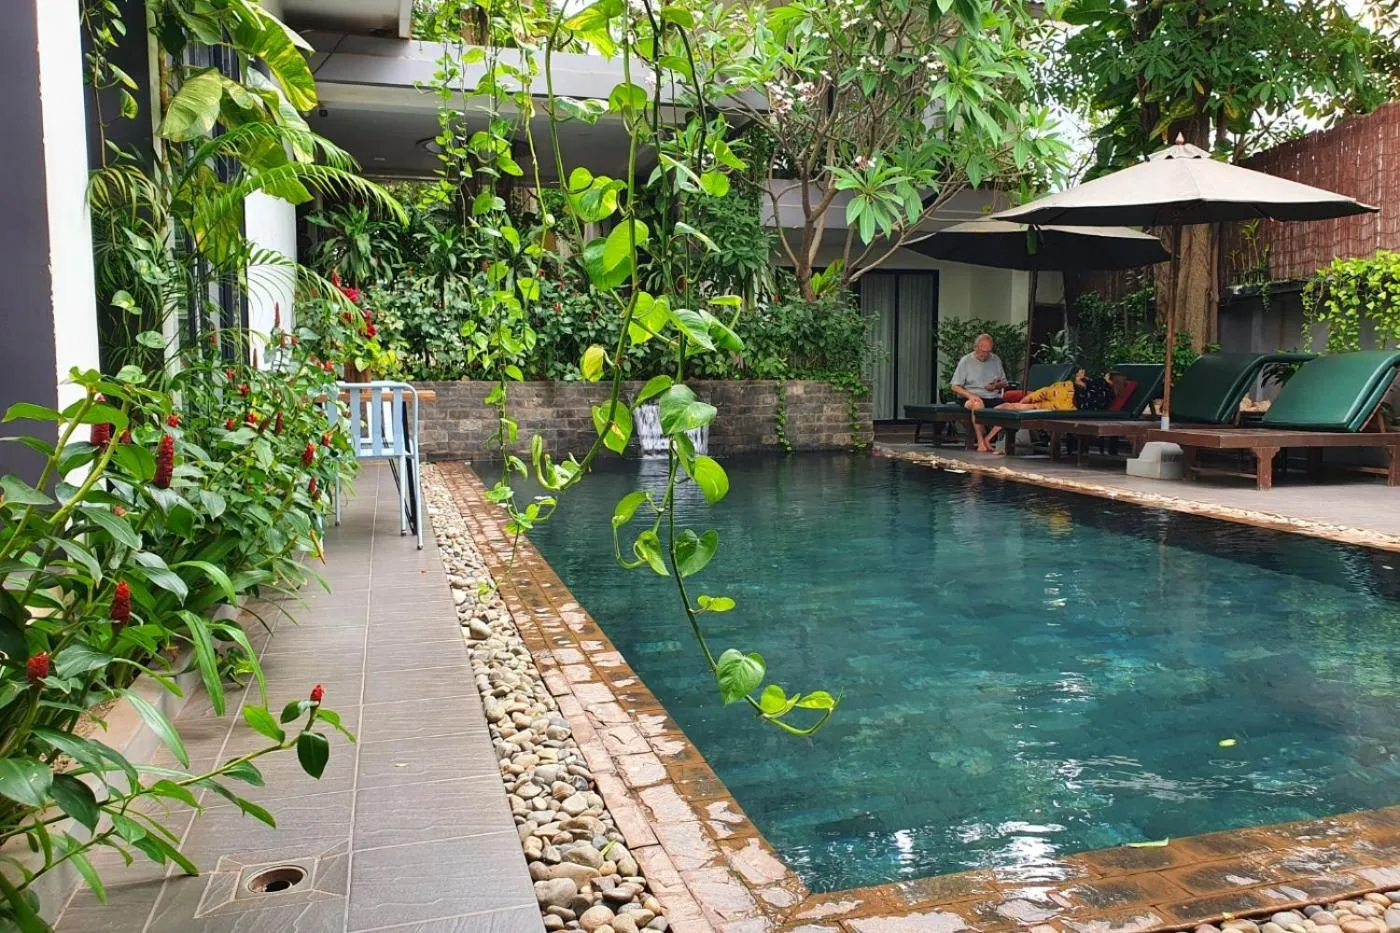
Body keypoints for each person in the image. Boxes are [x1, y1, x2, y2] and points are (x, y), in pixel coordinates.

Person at [980, 369, 1120, 452]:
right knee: (1022, 407)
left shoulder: (1100, 383)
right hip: (1066, 407)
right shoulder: (1109, 398)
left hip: (1064, 391)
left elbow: (1080, 384)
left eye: (1106, 375)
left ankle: (987, 435)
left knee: (1026, 401)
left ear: (1109, 379)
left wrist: (1080, 378)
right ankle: (988, 438)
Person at [948, 334, 1008, 452]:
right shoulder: (966, 361)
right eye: (982, 351)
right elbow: (954, 386)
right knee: (977, 404)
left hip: (992, 396)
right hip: (970, 396)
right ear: (975, 347)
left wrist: (995, 386)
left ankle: (988, 439)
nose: (985, 354)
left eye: (988, 351)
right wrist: (971, 395)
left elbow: (1005, 383)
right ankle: (980, 442)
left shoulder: (995, 359)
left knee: (1008, 408)